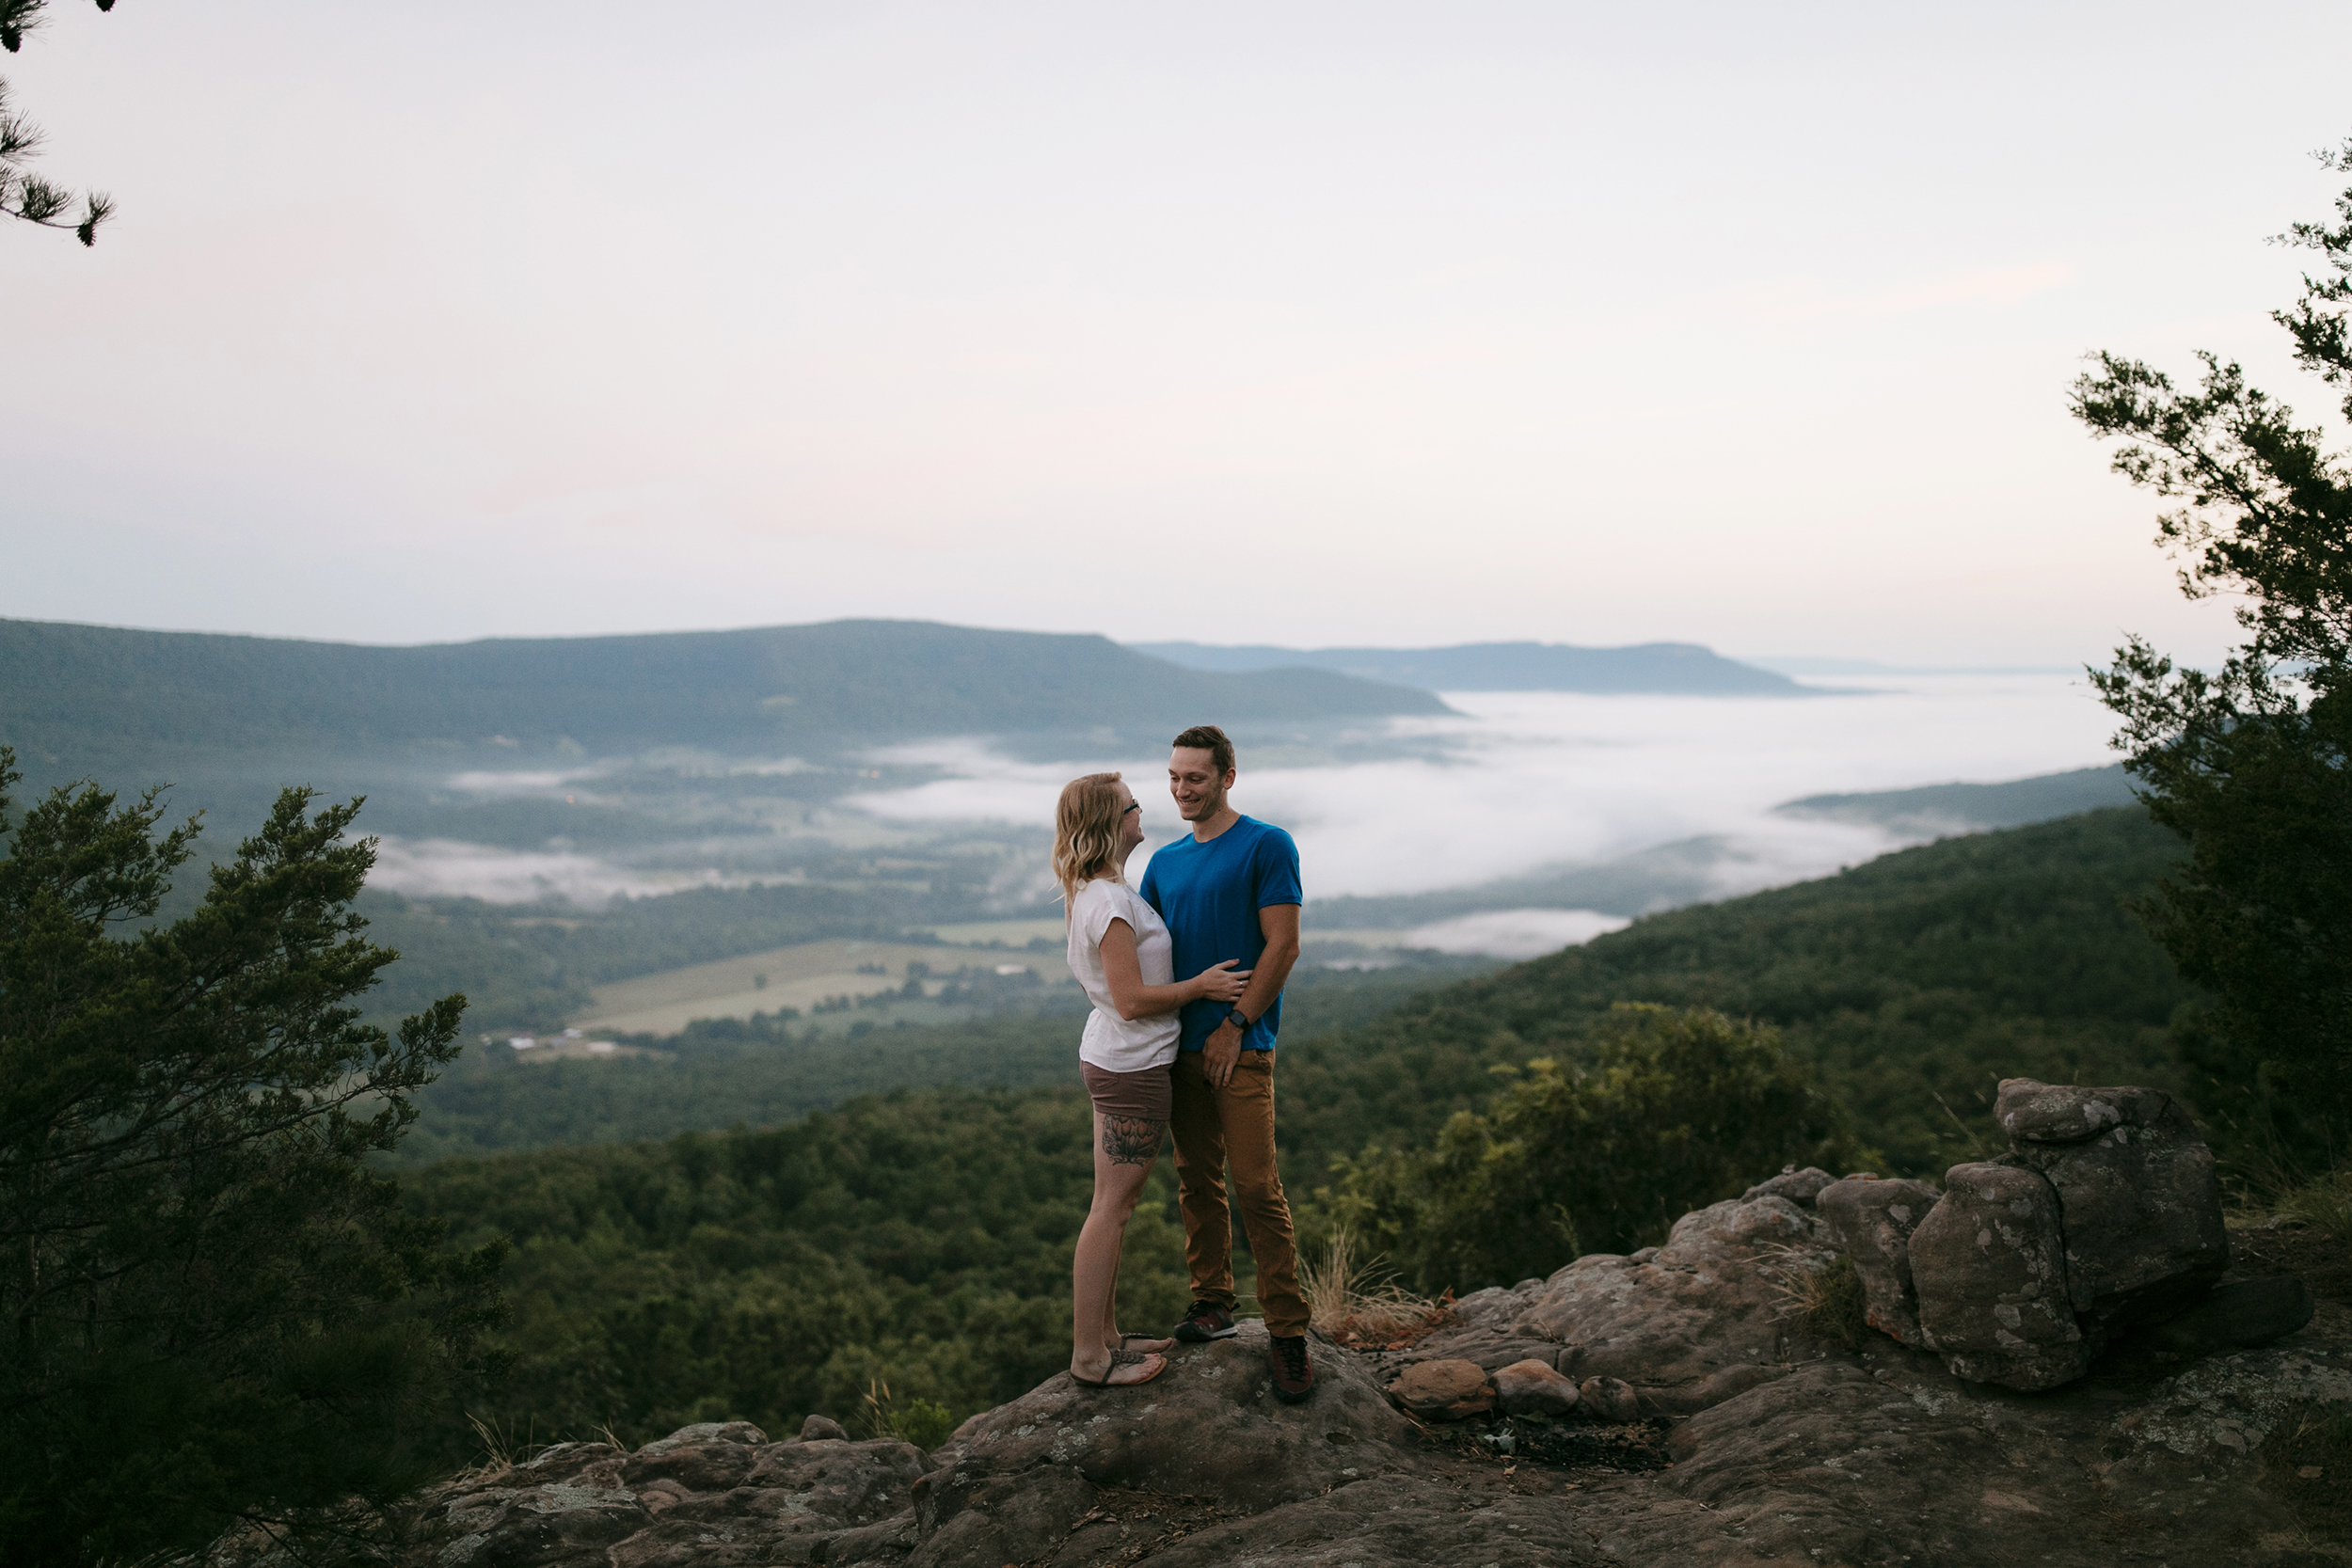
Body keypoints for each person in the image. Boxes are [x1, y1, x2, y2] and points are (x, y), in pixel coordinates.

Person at [1055, 769, 1252, 1388]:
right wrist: (1202, 986)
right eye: (1133, 805)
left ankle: (1107, 1335)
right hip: (1132, 1067)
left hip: (1120, 1061)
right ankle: (1090, 1354)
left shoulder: (1102, 889)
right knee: (1112, 1209)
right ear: (1111, 824)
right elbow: (1133, 999)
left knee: (1110, 1205)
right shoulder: (1110, 904)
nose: (1145, 811)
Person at [1137, 724, 1313, 1402]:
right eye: (1175, 778)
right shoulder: (1165, 863)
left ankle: (1288, 1331)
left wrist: (1235, 1026)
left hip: (1242, 1048)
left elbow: (1284, 946)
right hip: (1175, 1049)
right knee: (1195, 1180)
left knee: (1256, 1188)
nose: (1182, 789)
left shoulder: (1266, 845)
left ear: (1227, 777)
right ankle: (1211, 1301)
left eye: (1196, 778)